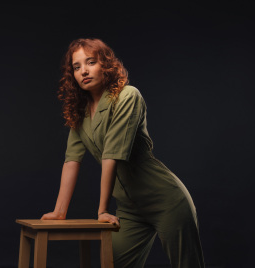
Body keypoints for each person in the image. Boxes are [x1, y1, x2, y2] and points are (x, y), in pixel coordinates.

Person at [40, 38, 205, 268]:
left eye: (91, 62)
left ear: (105, 65)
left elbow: (112, 154)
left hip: (165, 200)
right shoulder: (80, 113)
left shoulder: (127, 96)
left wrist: (103, 210)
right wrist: (59, 212)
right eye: (77, 67)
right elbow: (71, 161)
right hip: (129, 209)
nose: (84, 71)